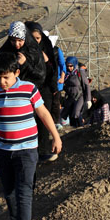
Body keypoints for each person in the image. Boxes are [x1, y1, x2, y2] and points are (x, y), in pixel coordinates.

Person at [0, 52, 62, 220]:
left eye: (6, 77)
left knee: (24, 192)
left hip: (27, 150)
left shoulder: (29, 89)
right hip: (3, 151)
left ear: (16, 73)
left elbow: (43, 113)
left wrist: (56, 136)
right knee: (9, 193)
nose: (2, 81)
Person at [25, 21, 58, 162]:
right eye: (32, 38)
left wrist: (46, 62)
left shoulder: (46, 48)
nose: (35, 42)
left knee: (43, 120)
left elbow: (52, 71)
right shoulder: (21, 50)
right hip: (26, 90)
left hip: (44, 89)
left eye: (38, 38)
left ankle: (42, 151)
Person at [0, 21, 46, 90]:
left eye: (20, 40)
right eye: (13, 40)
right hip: (4, 92)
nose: (16, 44)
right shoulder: (4, 51)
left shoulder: (33, 52)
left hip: (26, 93)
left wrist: (25, 64)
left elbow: (40, 76)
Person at [44, 31, 66, 131]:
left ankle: (56, 122)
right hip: (44, 83)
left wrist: (62, 77)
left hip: (56, 82)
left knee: (56, 103)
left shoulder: (56, 50)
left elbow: (62, 65)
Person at [61, 57, 91, 128]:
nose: (69, 68)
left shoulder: (80, 72)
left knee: (76, 112)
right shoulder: (65, 74)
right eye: (67, 66)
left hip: (80, 96)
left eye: (71, 66)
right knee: (71, 114)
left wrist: (88, 99)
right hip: (71, 97)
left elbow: (86, 85)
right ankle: (75, 130)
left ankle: (81, 127)